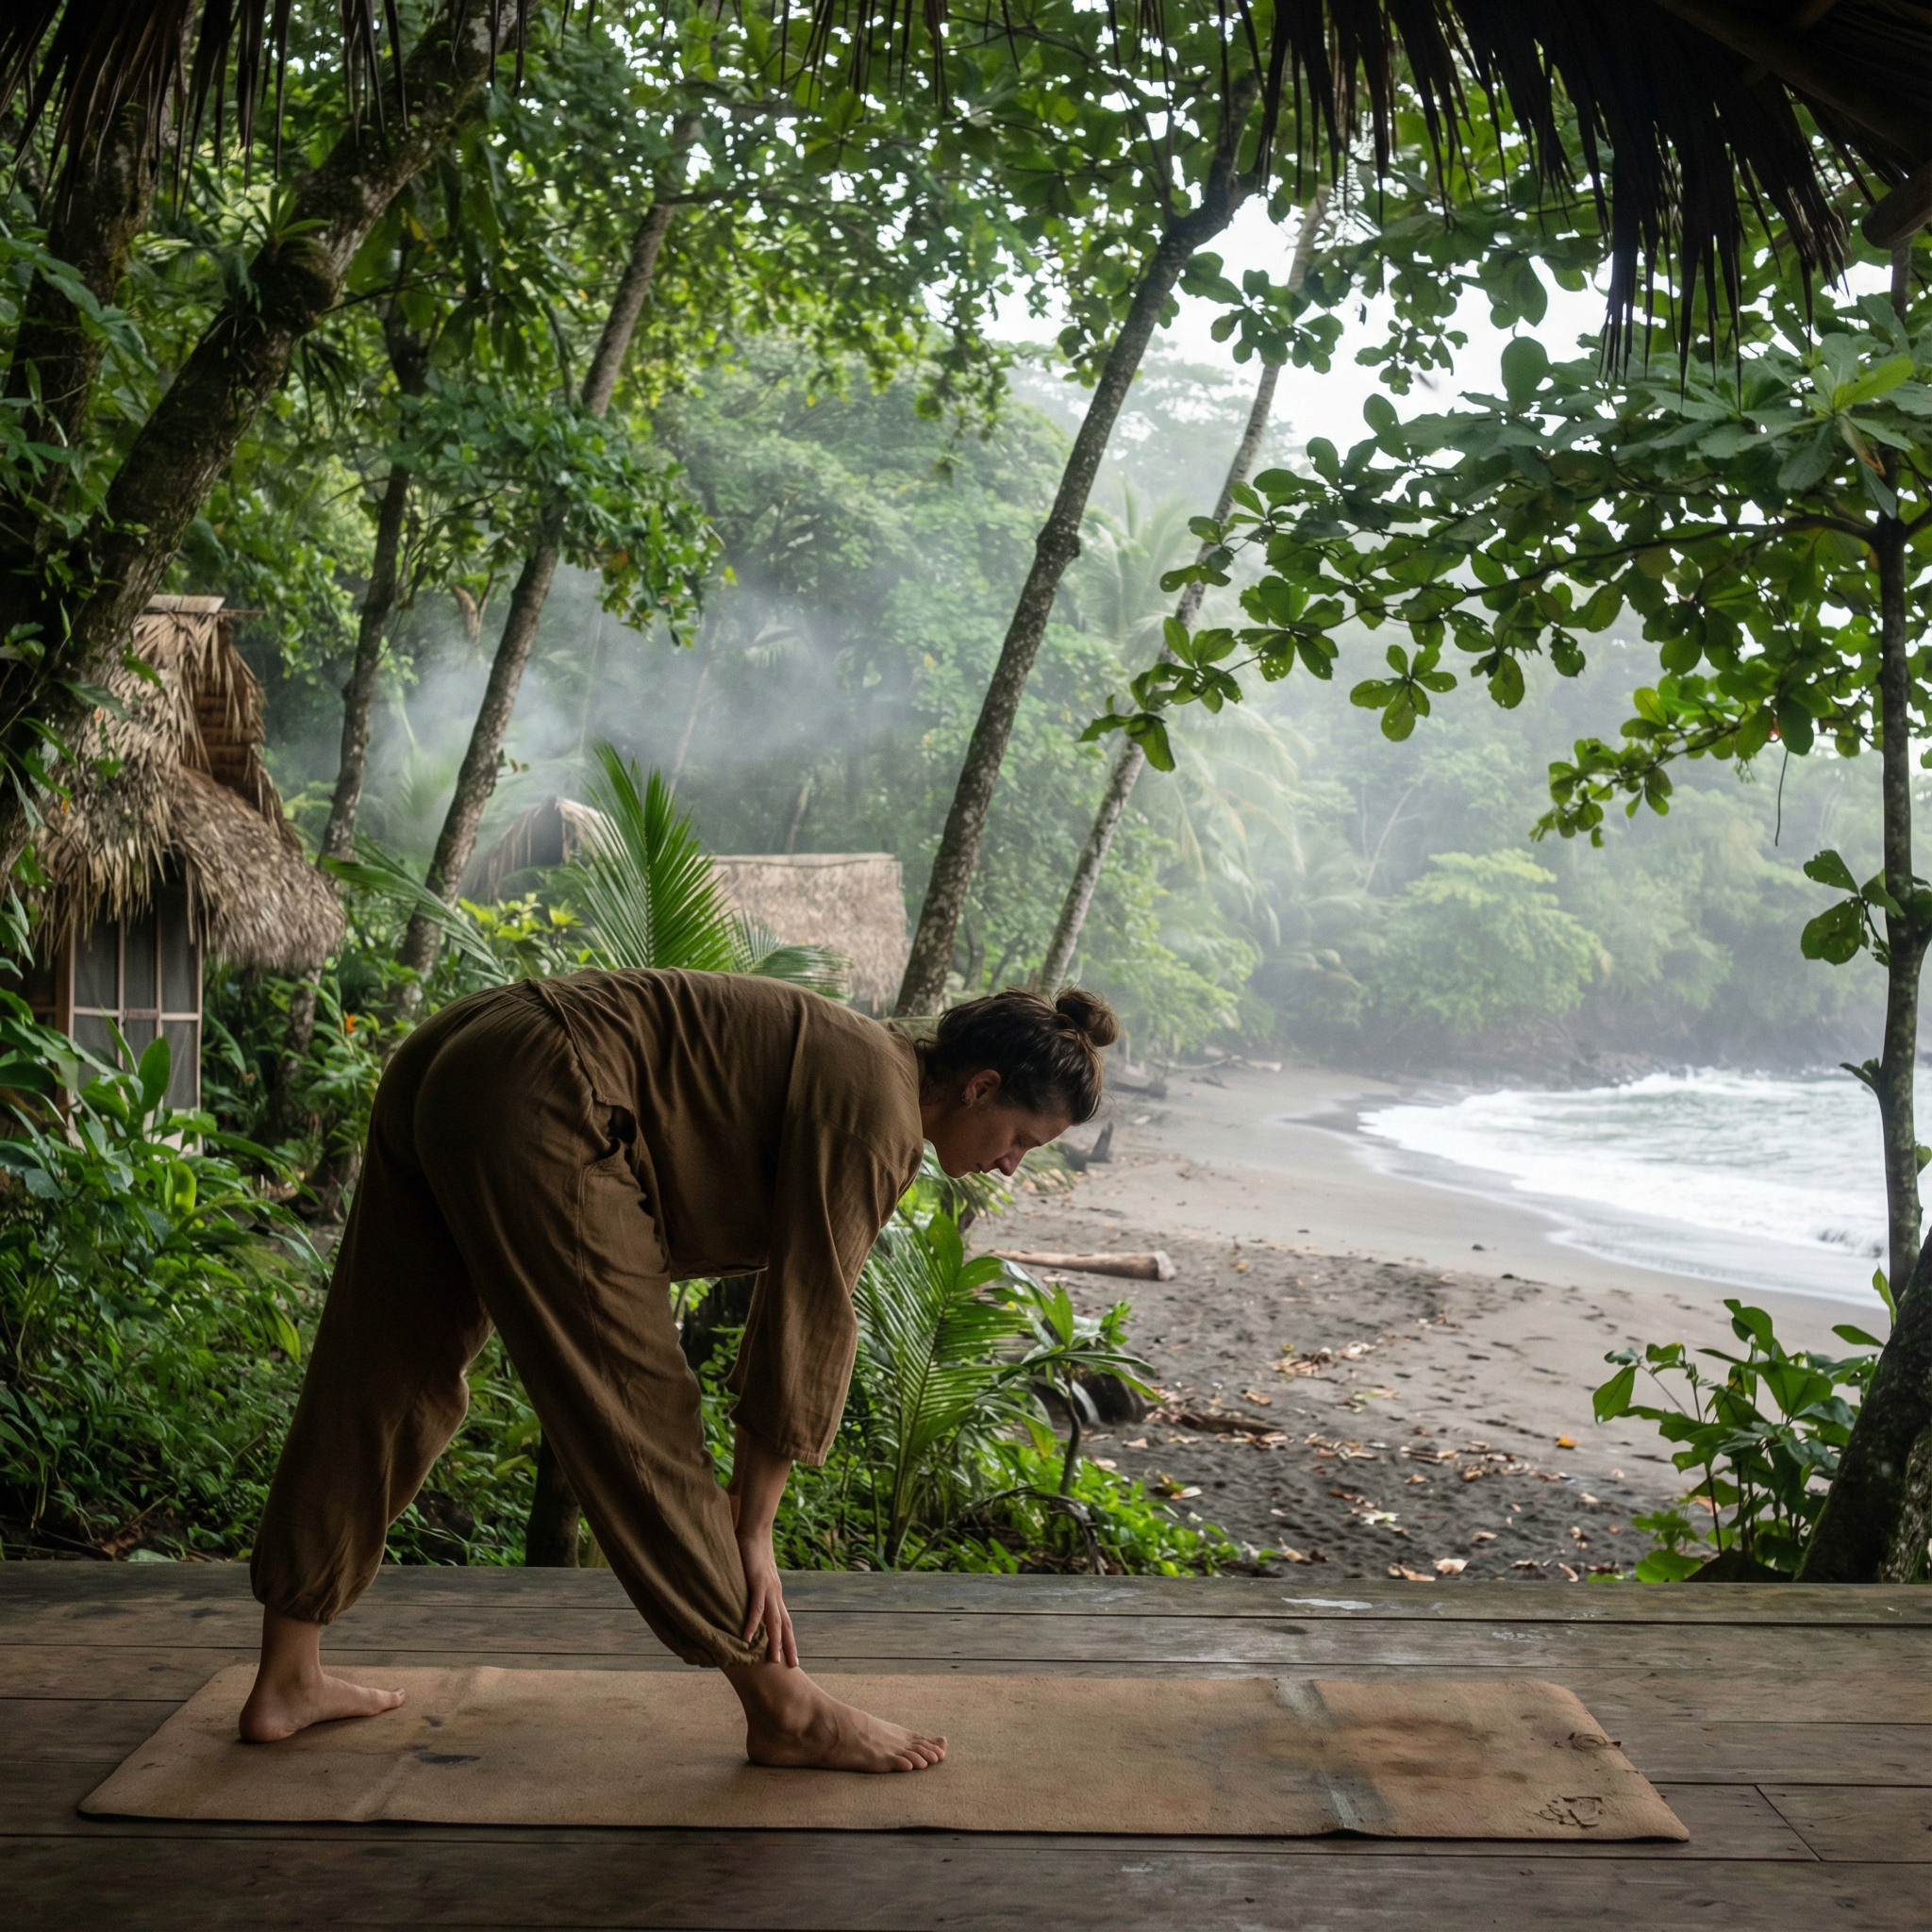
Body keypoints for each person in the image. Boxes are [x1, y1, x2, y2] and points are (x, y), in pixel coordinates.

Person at [238, 971, 1117, 1773]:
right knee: (640, 1414)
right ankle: (783, 1710)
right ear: (980, 1086)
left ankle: (288, 1675)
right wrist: (754, 1529)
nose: (1010, 1164)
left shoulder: (865, 1060)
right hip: (544, 1084)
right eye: (1022, 1141)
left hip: (462, 1045)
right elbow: (806, 1319)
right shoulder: (877, 1112)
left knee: (383, 1364)